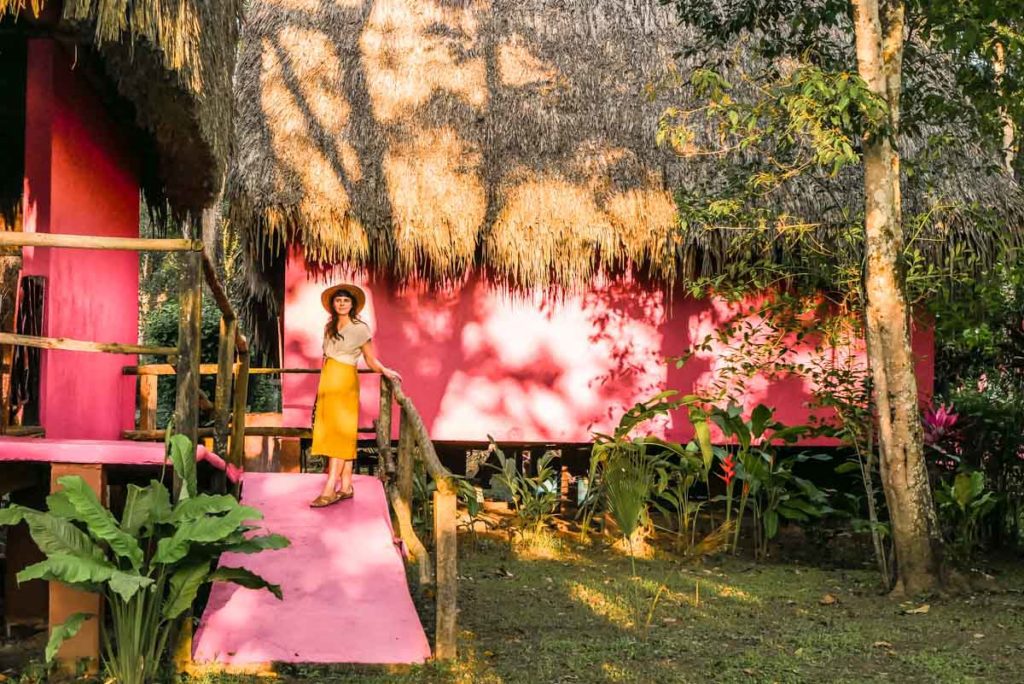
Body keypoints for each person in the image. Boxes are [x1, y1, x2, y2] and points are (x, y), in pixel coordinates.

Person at [309, 284, 401, 507]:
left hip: (345, 380)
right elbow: (325, 356)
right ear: (333, 304)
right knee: (333, 430)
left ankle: (331, 487)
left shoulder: (360, 329)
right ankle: (347, 485)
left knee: (340, 432)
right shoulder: (329, 326)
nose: (341, 303)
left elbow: (369, 359)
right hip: (328, 379)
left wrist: (386, 371)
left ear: (352, 305)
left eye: (346, 301)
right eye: (338, 300)